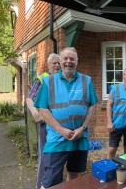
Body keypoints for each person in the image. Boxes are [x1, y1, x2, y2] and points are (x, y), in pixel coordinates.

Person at [35, 47, 98, 188]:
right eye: (65, 58)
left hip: (79, 138)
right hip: (57, 140)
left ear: (77, 62)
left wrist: (83, 128)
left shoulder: (86, 81)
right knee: (50, 181)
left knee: (74, 176)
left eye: (72, 59)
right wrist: (61, 130)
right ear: (60, 61)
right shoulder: (48, 82)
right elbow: (42, 109)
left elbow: (93, 105)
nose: (68, 61)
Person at [26, 53, 60, 189]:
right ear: (48, 65)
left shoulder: (63, 80)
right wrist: (35, 112)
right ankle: (40, 185)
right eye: (54, 63)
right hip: (46, 125)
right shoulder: (42, 79)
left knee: (58, 157)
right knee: (45, 156)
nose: (57, 65)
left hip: (60, 125)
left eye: (59, 63)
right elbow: (29, 99)